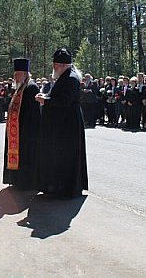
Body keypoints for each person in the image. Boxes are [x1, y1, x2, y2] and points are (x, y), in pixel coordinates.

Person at [35, 49, 88, 198]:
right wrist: (46, 96)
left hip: (68, 126)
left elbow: (65, 101)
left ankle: (67, 188)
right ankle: (58, 187)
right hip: (62, 124)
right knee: (60, 155)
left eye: (55, 65)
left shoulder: (71, 78)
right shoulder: (64, 76)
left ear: (62, 65)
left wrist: (46, 100)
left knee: (67, 156)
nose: (54, 68)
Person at [3, 58, 41, 190]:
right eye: (14, 75)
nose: (15, 77)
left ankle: (26, 182)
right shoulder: (20, 87)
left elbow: (34, 112)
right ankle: (16, 180)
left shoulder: (31, 87)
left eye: (17, 74)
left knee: (27, 156)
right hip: (17, 130)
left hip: (27, 131)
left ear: (25, 74)